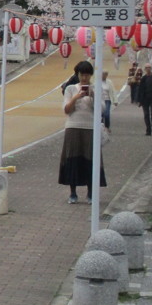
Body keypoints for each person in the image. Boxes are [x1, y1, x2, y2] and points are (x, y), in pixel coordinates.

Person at [58, 60, 106, 204]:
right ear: (78, 74)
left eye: (87, 75)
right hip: (73, 127)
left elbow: (102, 109)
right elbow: (66, 109)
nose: (84, 78)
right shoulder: (71, 89)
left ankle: (91, 193)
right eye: (81, 75)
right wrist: (75, 97)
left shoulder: (96, 89)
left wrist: (92, 95)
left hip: (90, 128)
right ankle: (73, 193)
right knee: (72, 159)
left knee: (91, 160)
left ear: (91, 75)